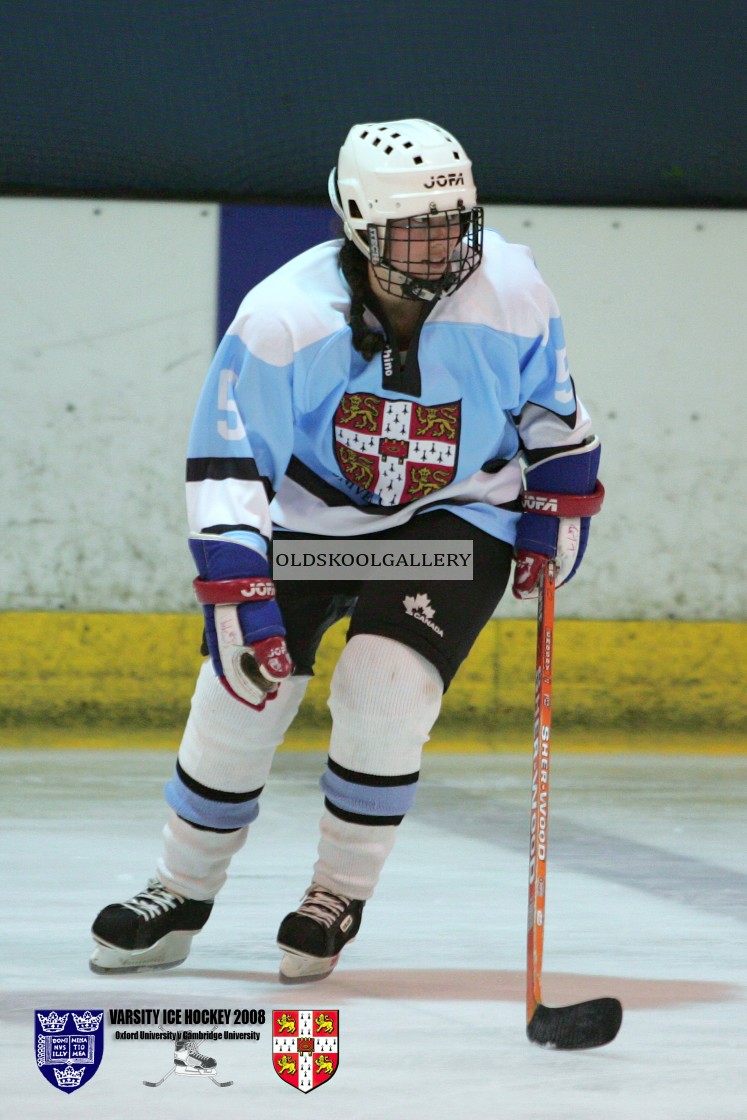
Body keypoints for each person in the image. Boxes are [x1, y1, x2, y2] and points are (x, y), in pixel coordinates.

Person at [89, 118, 603, 983]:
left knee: (384, 685)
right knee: (242, 694)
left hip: (448, 524)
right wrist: (240, 593)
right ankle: (179, 889)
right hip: (306, 534)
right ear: (360, 227)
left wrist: (554, 511)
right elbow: (227, 463)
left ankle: (335, 893)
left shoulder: (512, 289)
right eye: (415, 229)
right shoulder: (282, 318)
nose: (442, 247)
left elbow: (554, 421)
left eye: (454, 222)